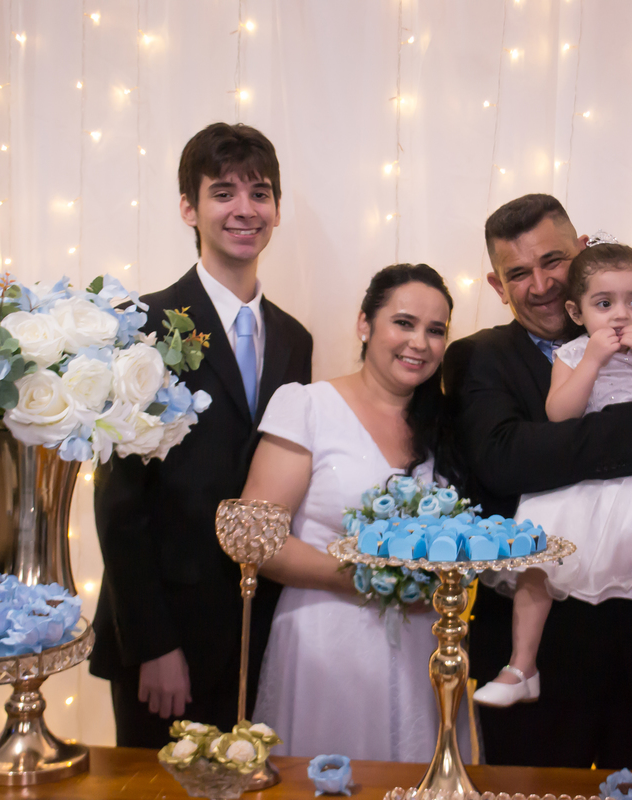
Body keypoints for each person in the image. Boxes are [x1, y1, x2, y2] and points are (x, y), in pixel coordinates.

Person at [442, 194, 632, 769]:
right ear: (496, 285)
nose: (540, 285)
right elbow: (504, 458)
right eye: (518, 273)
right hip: (544, 647)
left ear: (582, 252)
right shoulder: (479, 357)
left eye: (552, 261)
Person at [90, 122, 312, 747]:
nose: (245, 209)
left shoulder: (295, 339)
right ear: (189, 207)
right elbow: (118, 503)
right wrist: (153, 644)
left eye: (260, 193)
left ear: (276, 209)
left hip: (260, 626)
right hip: (166, 635)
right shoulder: (142, 325)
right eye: (223, 192)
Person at [243, 264, 469, 762]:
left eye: (436, 331)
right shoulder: (307, 405)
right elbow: (258, 538)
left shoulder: (446, 426)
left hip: (423, 647)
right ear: (364, 324)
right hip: (324, 644)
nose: (420, 343)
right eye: (404, 323)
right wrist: (374, 579)